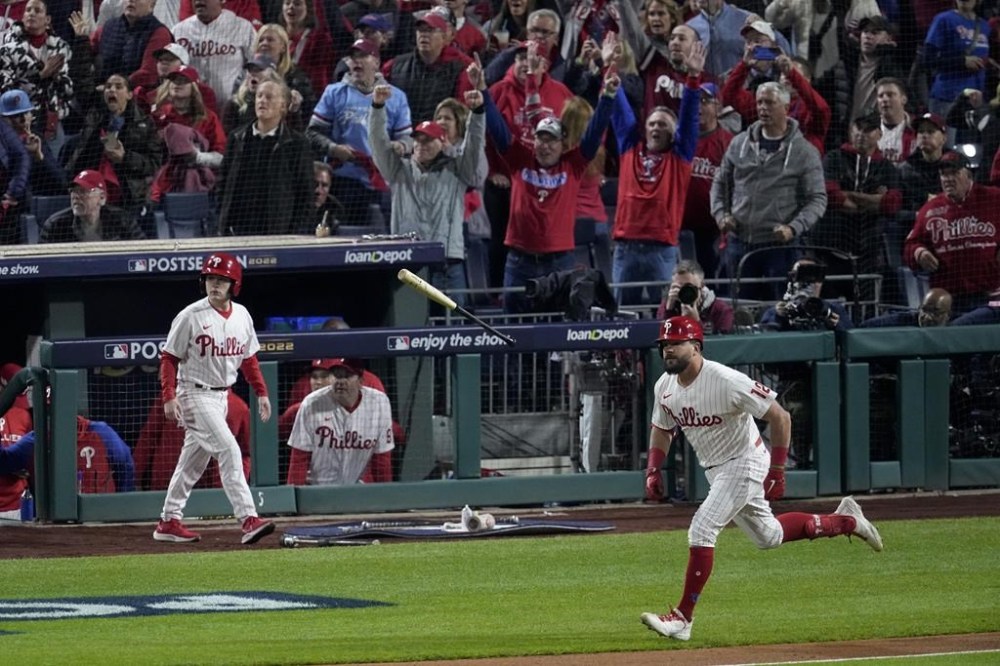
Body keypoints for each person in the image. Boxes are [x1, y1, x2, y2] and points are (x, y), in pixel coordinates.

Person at [640, 315, 883, 642]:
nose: (668, 350)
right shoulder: (664, 386)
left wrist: (778, 469)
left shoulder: (726, 380)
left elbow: (780, 416)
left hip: (746, 462)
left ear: (696, 346)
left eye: (676, 343)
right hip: (717, 470)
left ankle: (682, 618)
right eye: (665, 344)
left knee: (702, 528)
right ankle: (847, 521)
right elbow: (662, 428)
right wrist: (653, 468)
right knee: (768, 536)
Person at [482, 41, 618, 313]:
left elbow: (594, 131)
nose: (545, 146)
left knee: (557, 328)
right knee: (514, 327)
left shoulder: (573, 164)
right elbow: (497, 128)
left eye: (551, 140)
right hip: (519, 261)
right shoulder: (520, 160)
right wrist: (484, 92)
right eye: (540, 139)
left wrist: (608, 96)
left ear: (562, 143)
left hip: (559, 262)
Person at [154, 252, 275, 545]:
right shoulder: (190, 316)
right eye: (210, 278)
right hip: (194, 392)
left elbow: (249, 359)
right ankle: (248, 518)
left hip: (221, 396)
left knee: (192, 463)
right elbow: (169, 358)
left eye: (222, 279)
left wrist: (261, 392)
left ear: (234, 284)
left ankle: (169, 520)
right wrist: (169, 396)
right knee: (229, 450)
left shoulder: (242, 315)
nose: (215, 284)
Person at [369, 64, 486, 304]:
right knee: (409, 323)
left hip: (447, 263)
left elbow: (473, 145)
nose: (421, 144)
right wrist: (378, 107)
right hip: (408, 262)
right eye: (418, 139)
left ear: (442, 143)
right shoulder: (399, 171)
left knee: (452, 324)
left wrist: (477, 112)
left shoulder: (457, 171)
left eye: (428, 140)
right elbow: (378, 143)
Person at [711, 81, 827, 301]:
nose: (763, 108)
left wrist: (794, 227)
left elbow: (817, 199)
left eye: (770, 103)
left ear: (786, 107)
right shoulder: (739, 143)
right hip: (739, 242)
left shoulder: (804, 152)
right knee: (740, 308)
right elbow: (719, 183)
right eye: (760, 102)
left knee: (781, 307)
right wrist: (721, 214)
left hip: (780, 246)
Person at [609, 40, 703, 306]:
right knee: (619, 315)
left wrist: (693, 78)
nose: (655, 128)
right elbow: (618, 105)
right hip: (626, 246)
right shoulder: (630, 147)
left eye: (662, 125)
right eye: (651, 124)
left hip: (661, 249)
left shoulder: (679, 157)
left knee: (667, 313)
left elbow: (689, 119)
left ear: (674, 134)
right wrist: (609, 67)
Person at [307, 38, 412, 226]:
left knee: (385, 237)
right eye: (353, 57)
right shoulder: (334, 92)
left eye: (363, 56)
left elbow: (408, 139)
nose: (356, 60)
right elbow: (313, 133)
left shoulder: (396, 97)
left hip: (384, 182)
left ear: (376, 63)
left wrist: (401, 145)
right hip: (344, 181)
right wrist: (333, 148)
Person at [812, 113, 902, 299]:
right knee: (826, 305)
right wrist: (873, 200)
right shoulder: (834, 158)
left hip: (868, 251)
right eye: (858, 128)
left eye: (868, 130)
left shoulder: (887, 167)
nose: (861, 134)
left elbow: (891, 204)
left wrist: (850, 195)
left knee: (866, 306)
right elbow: (832, 196)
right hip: (829, 247)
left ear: (879, 134)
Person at [904, 151, 1000, 317]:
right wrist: (919, 252)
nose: (948, 179)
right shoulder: (930, 209)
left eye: (954, 173)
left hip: (991, 296)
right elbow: (910, 245)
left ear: (968, 174)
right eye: (943, 174)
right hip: (949, 301)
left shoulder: (993, 198)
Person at [216, 79, 313, 235]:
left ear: (283, 106)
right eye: (259, 96)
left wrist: (294, 233)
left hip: (277, 233)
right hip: (236, 229)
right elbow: (222, 182)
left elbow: (305, 194)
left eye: (269, 97)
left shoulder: (297, 144)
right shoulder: (237, 137)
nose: (262, 100)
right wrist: (222, 220)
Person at [63, 72, 162, 219]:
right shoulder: (94, 118)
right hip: (91, 193)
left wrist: (125, 157)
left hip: (128, 196)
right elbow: (81, 152)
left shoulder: (144, 124)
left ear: (129, 94)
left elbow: (153, 164)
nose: (112, 90)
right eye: (108, 86)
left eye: (118, 87)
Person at [286, 357, 395, 486]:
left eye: (347, 376)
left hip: (356, 488)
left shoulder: (379, 402)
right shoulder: (312, 403)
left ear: (361, 381)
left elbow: (381, 460)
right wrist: (293, 496)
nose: (340, 381)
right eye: (336, 375)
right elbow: (299, 458)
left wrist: (385, 494)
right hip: (317, 488)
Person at [133, 390, 251, 490]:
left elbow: (245, 453)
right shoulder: (172, 399)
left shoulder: (238, 408)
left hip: (213, 492)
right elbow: (148, 438)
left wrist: (235, 483)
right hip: (168, 485)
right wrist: (134, 479)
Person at [0, 415, 136, 495]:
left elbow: (126, 464)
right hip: (54, 521)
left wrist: (122, 502)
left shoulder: (101, 432)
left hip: (99, 515)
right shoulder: (36, 440)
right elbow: (4, 462)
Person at [380, 10, 473, 123]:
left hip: (439, 132)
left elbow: (461, 114)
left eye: (430, 30)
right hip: (400, 131)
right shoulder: (394, 66)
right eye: (420, 30)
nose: (424, 34)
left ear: (444, 37)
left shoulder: (459, 70)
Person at [0, 0, 74, 139]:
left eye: (37, 11)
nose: (31, 14)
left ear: (47, 19)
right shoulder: (7, 50)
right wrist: (41, 76)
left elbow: (69, 91)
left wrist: (57, 77)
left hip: (51, 123)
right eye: (28, 10)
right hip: (18, 124)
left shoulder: (61, 49)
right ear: (23, 17)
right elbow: (7, 92)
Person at [682, 82, 731, 279]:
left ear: (718, 107)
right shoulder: (681, 139)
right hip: (679, 226)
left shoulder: (728, 142)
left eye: (705, 101)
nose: (699, 106)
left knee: (708, 281)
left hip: (712, 229)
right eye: (696, 101)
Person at [173, 0, 257, 113]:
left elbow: (256, 67)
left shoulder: (243, 28)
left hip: (232, 109)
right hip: (190, 110)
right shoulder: (179, 31)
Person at [922, 0, 991, 119]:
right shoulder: (944, 20)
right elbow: (928, 60)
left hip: (975, 101)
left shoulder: (985, 26)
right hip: (947, 99)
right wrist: (962, 61)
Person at [40, 169, 146, 243]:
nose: (75, 196)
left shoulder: (123, 220)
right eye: (73, 191)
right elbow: (41, 261)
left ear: (102, 198)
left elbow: (143, 251)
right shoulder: (55, 225)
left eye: (83, 191)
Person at [91, 0, 172, 88]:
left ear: (151, 5)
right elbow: (87, 52)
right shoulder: (108, 27)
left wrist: (116, 87)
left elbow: (148, 74)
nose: (131, 0)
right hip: (101, 90)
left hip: (139, 93)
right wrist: (81, 39)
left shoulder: (159, 33)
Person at [758, 258, 853, 333]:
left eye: (813, 277)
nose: (807, 284)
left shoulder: (834, 310)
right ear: (791, 281)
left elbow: (852, 340)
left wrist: (836, 326)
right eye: (799, 276)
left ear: (821, 283)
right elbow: (765, 340)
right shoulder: (774, 312)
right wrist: (779, 317)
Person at [655, 259, 733, 333]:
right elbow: (659, 336)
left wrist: (696, 321)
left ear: (702, 285)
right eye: (680, 287)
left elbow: (723, 341)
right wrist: (669, 311)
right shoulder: (668, 305)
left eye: (689, 287)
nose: (685, 292)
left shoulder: (721, 309)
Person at [861, 287, 953, 328]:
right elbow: (864, 326)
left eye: (935, 312)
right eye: (924, 310)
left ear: (948, 315)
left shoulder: (956, 328)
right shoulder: (901, 321)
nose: (927, 317)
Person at [874, 77, 916, 165]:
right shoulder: (869, 129)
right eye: (880, 96)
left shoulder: (916, 128)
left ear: (903, 99)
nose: (884, 99)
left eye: (890, 95)